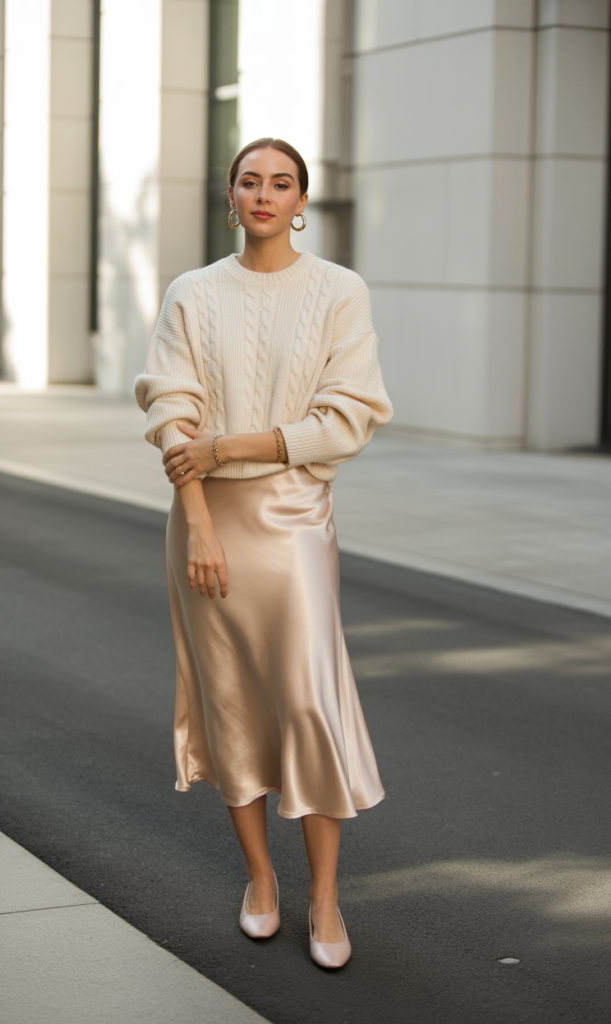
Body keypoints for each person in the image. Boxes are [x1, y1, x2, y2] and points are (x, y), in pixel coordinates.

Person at [135, 137, 393, 969]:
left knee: (309, 701)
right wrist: (201, 518)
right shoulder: (192, 291)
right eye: (249, 181)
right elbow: (171, 411)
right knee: (231, 705)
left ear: (300, 200)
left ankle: (324, 896)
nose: (263, 194)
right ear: (231, 194)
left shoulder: (338, 292)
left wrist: (229, 446)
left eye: (280, 183)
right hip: (205, 523)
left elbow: (346, 416)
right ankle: (260, 880)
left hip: (292, 521)